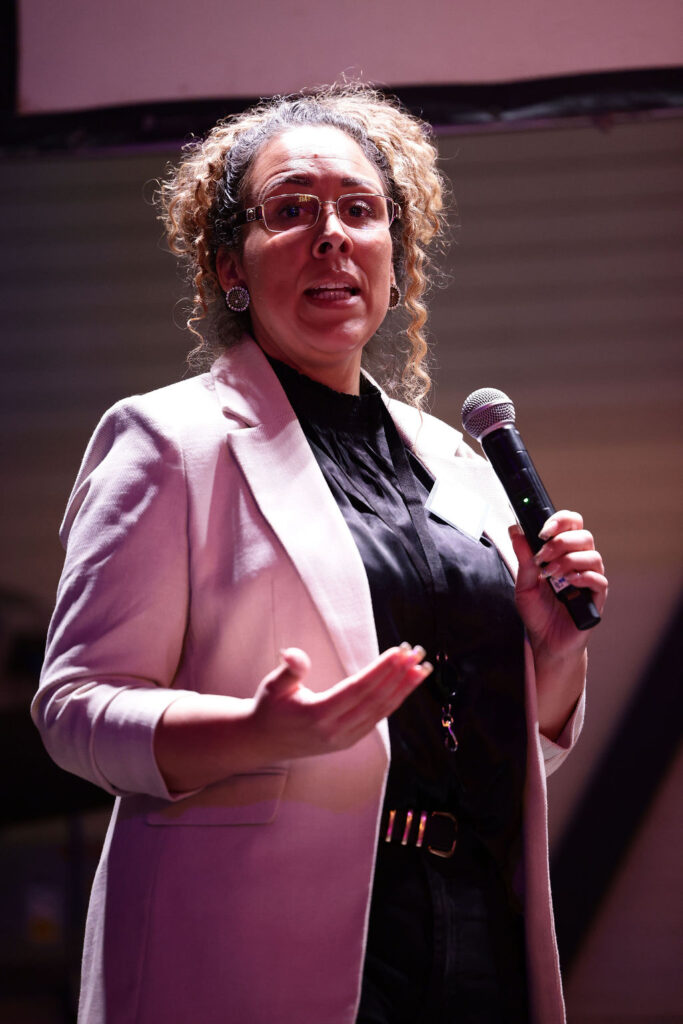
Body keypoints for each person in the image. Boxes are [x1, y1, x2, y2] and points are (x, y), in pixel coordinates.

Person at [32, 84, 607, 1024]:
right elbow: (75, 708)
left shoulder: (455, 459)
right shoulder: (167, 441)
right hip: (253, 938)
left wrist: (554, 654)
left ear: (394, 257)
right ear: (229, 263)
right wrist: (259, 731)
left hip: (474, 920)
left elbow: (489, 743)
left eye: (359, 210)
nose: (330, 235)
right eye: (291, 209)